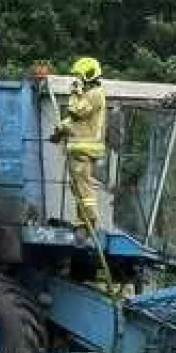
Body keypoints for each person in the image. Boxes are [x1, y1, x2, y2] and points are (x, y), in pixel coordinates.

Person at [51, 57, 107, 229]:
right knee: (77, 187)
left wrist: (74, 94)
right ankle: (82, 220)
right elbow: (73, 122)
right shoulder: (89, 95)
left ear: (88, 75)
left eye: (80, 77)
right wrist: (59, 130)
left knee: (83, 186)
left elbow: (76, 112)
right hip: (78, 149)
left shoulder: (95, 94)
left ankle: (89, 219)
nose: (78, 80)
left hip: (84, 149)